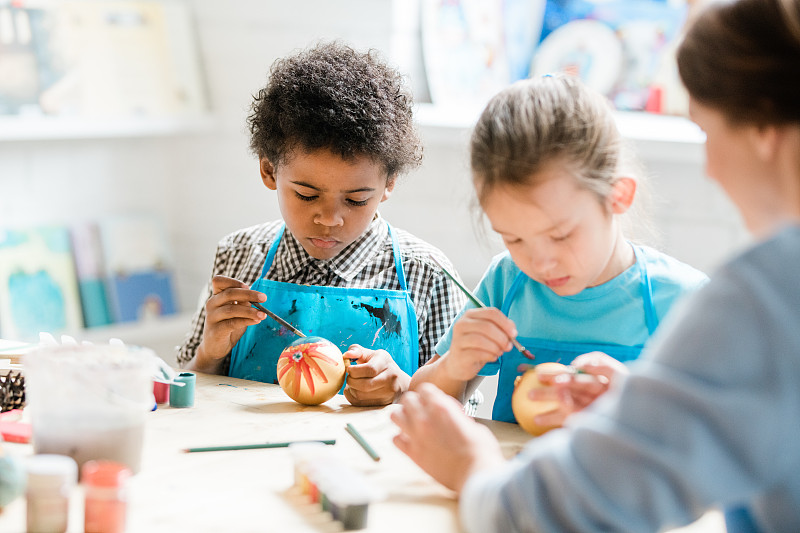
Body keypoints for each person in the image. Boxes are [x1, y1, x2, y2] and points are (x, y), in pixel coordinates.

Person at [392, 0, 800, 531]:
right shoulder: (505, 284)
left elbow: (554, 510)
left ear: (764, 128)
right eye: (513, 237)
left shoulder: (755, 297)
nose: (711, 167)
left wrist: (472, 467)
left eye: (706, 133)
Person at [176, 41, 467, 407]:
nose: (329, 218)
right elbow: (184, 387)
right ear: (269, 170)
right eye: (306, 195)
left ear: (388, 183)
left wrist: (405, 389)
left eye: (356, 200)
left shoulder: (427, 274)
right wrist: (209, 354)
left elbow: (461, 415)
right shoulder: (240, 256)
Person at [408, 74, 707, 427]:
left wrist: (637, 403)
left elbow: (720, 439)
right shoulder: (507, 282)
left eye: (561, 235)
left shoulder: (683, 301)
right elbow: (416, 402)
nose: (540, 263)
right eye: (513, 239)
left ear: (618, 196)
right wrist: (454, 365)